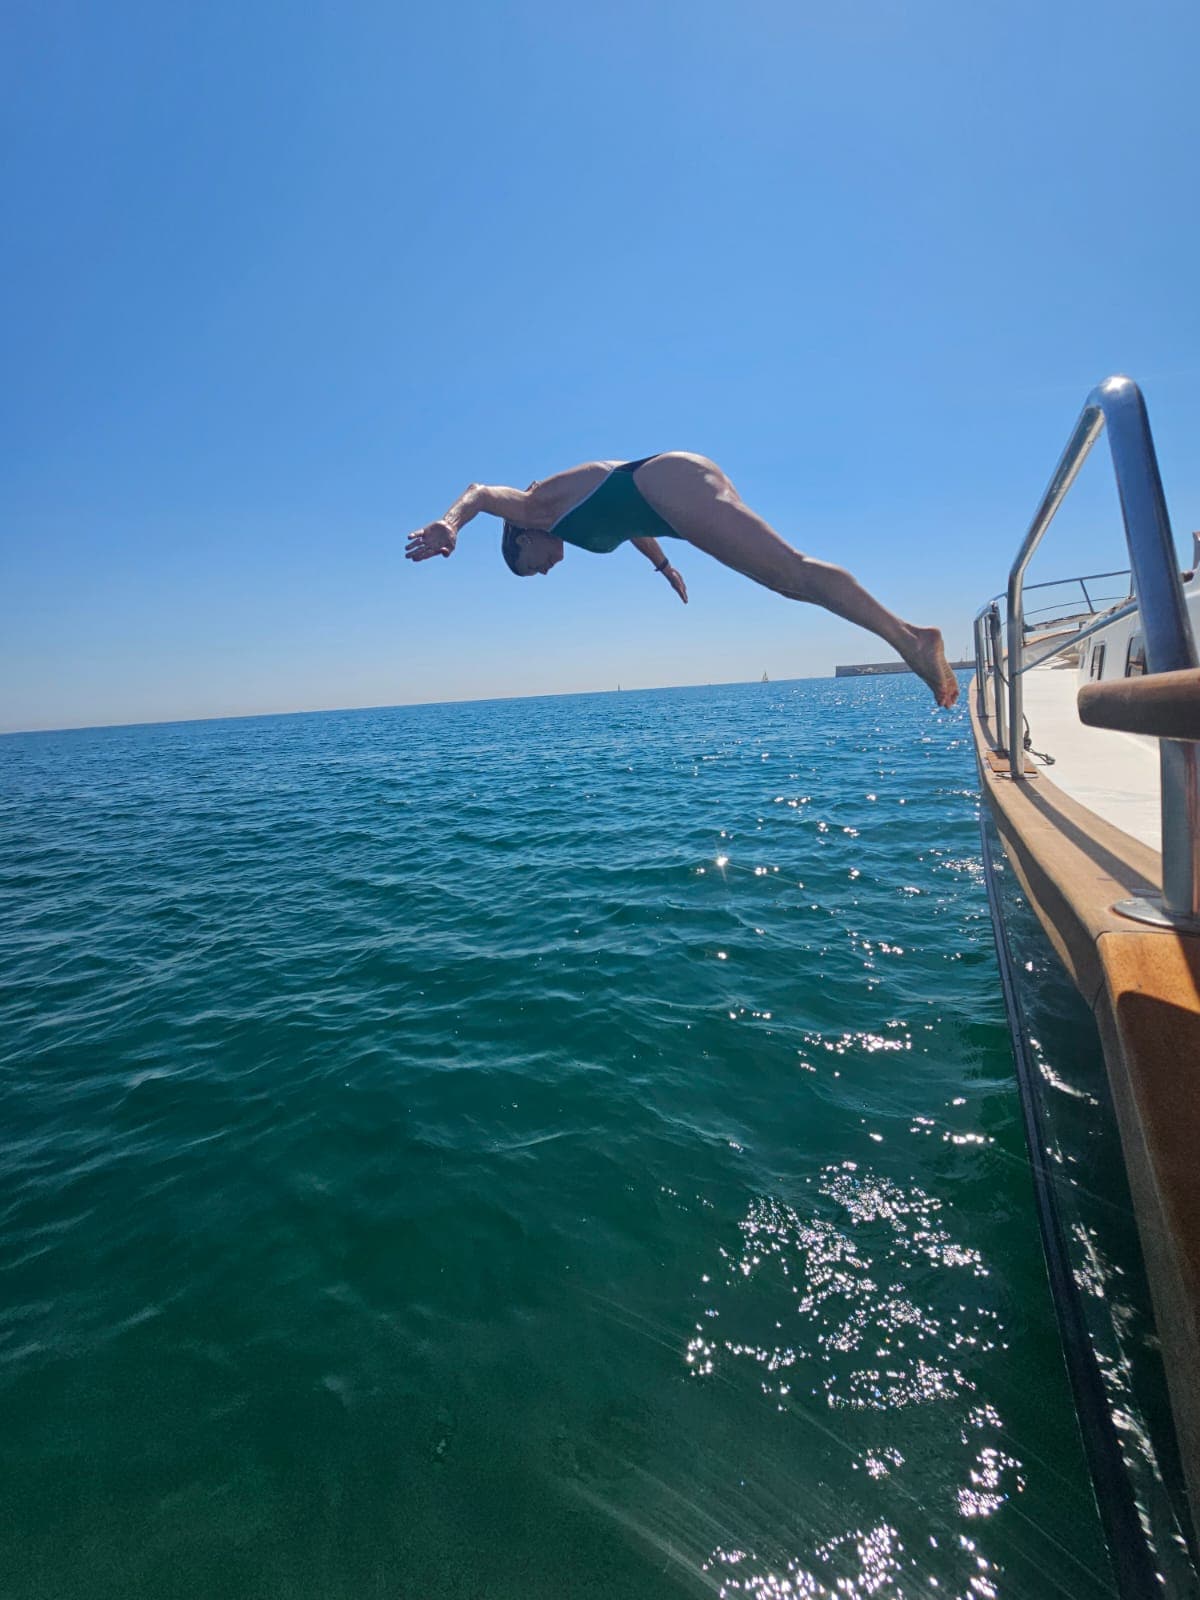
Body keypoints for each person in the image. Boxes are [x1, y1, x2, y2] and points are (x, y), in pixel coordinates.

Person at [405, 452, 959, 707]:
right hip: (669, 499)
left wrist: (450, 523)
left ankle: (912, 640)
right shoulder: (568, 525)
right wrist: (664, 567)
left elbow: (479, 490)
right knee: (786, 582)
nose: (546, 570)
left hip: (670, 484)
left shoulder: (533, 506)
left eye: (534, 567)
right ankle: (908, 638)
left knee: (790, 573)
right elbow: (626, 521)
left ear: (520, 538)